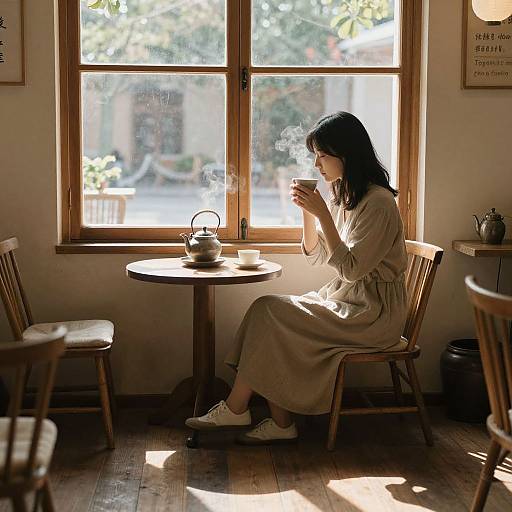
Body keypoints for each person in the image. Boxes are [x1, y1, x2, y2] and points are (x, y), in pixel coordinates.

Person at [185, 111, 408, 445]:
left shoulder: (378, 202)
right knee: (268, 312)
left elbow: (351, 269)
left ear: (345, 154)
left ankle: (243, 410)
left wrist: (323, 215)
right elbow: (317, 254)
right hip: (349, 301)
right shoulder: (349, 195)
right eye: (314, 156)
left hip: (373, 314)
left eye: (322, 156)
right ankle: (273, 420)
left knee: (270, 311)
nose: (317, 165)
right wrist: (308, 214)